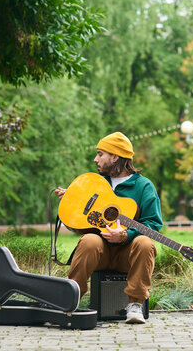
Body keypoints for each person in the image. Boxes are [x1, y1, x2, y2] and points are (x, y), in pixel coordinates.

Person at [55, 131, 163, 324]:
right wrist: (72, 202)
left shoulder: (144, 186)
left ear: (115, 157)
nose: (95, 159)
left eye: (100, 154)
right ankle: (69, 301)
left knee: (145, 243)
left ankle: (135, 305)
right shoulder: (96, 183)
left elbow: (153, 224)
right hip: (99, 252)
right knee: (89, 240)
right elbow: (81, 224)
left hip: (127, 255)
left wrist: (126, 235)